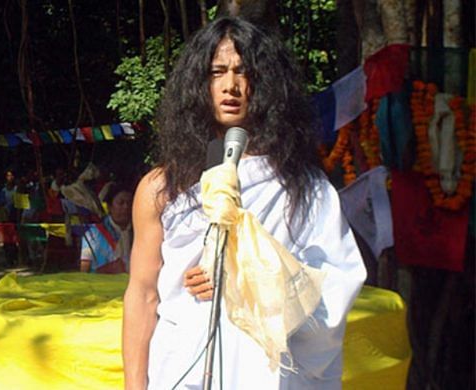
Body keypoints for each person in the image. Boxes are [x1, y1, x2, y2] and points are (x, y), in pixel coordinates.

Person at [122, 17, 366, 389]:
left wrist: (245, 275)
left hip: (271, 374)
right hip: (183, 370)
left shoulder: (303, 186)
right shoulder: (161, 187)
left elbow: (335, 285)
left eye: (243, 72)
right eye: (217, 72)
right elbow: (142, 294)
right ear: (197, 84)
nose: (230, 86)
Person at [80, 184, 133, 273]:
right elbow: (84, 272)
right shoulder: (93, 234)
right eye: (121, 203)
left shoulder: (140, 232)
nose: (126, 207)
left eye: (130, 203)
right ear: (109, 207)